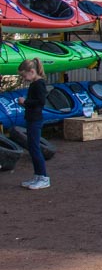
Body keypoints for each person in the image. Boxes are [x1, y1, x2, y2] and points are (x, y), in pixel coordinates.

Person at [16, 57, 49, 190]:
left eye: (24, 75)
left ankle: (44, 177)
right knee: (32, 147)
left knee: (35, 149)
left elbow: (40, 102)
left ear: (32, 71)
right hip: (31, 118)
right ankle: (37, 175)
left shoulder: (39, 84)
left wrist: (25, 102)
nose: (24, 78)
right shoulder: (34, 84)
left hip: (35, 120)